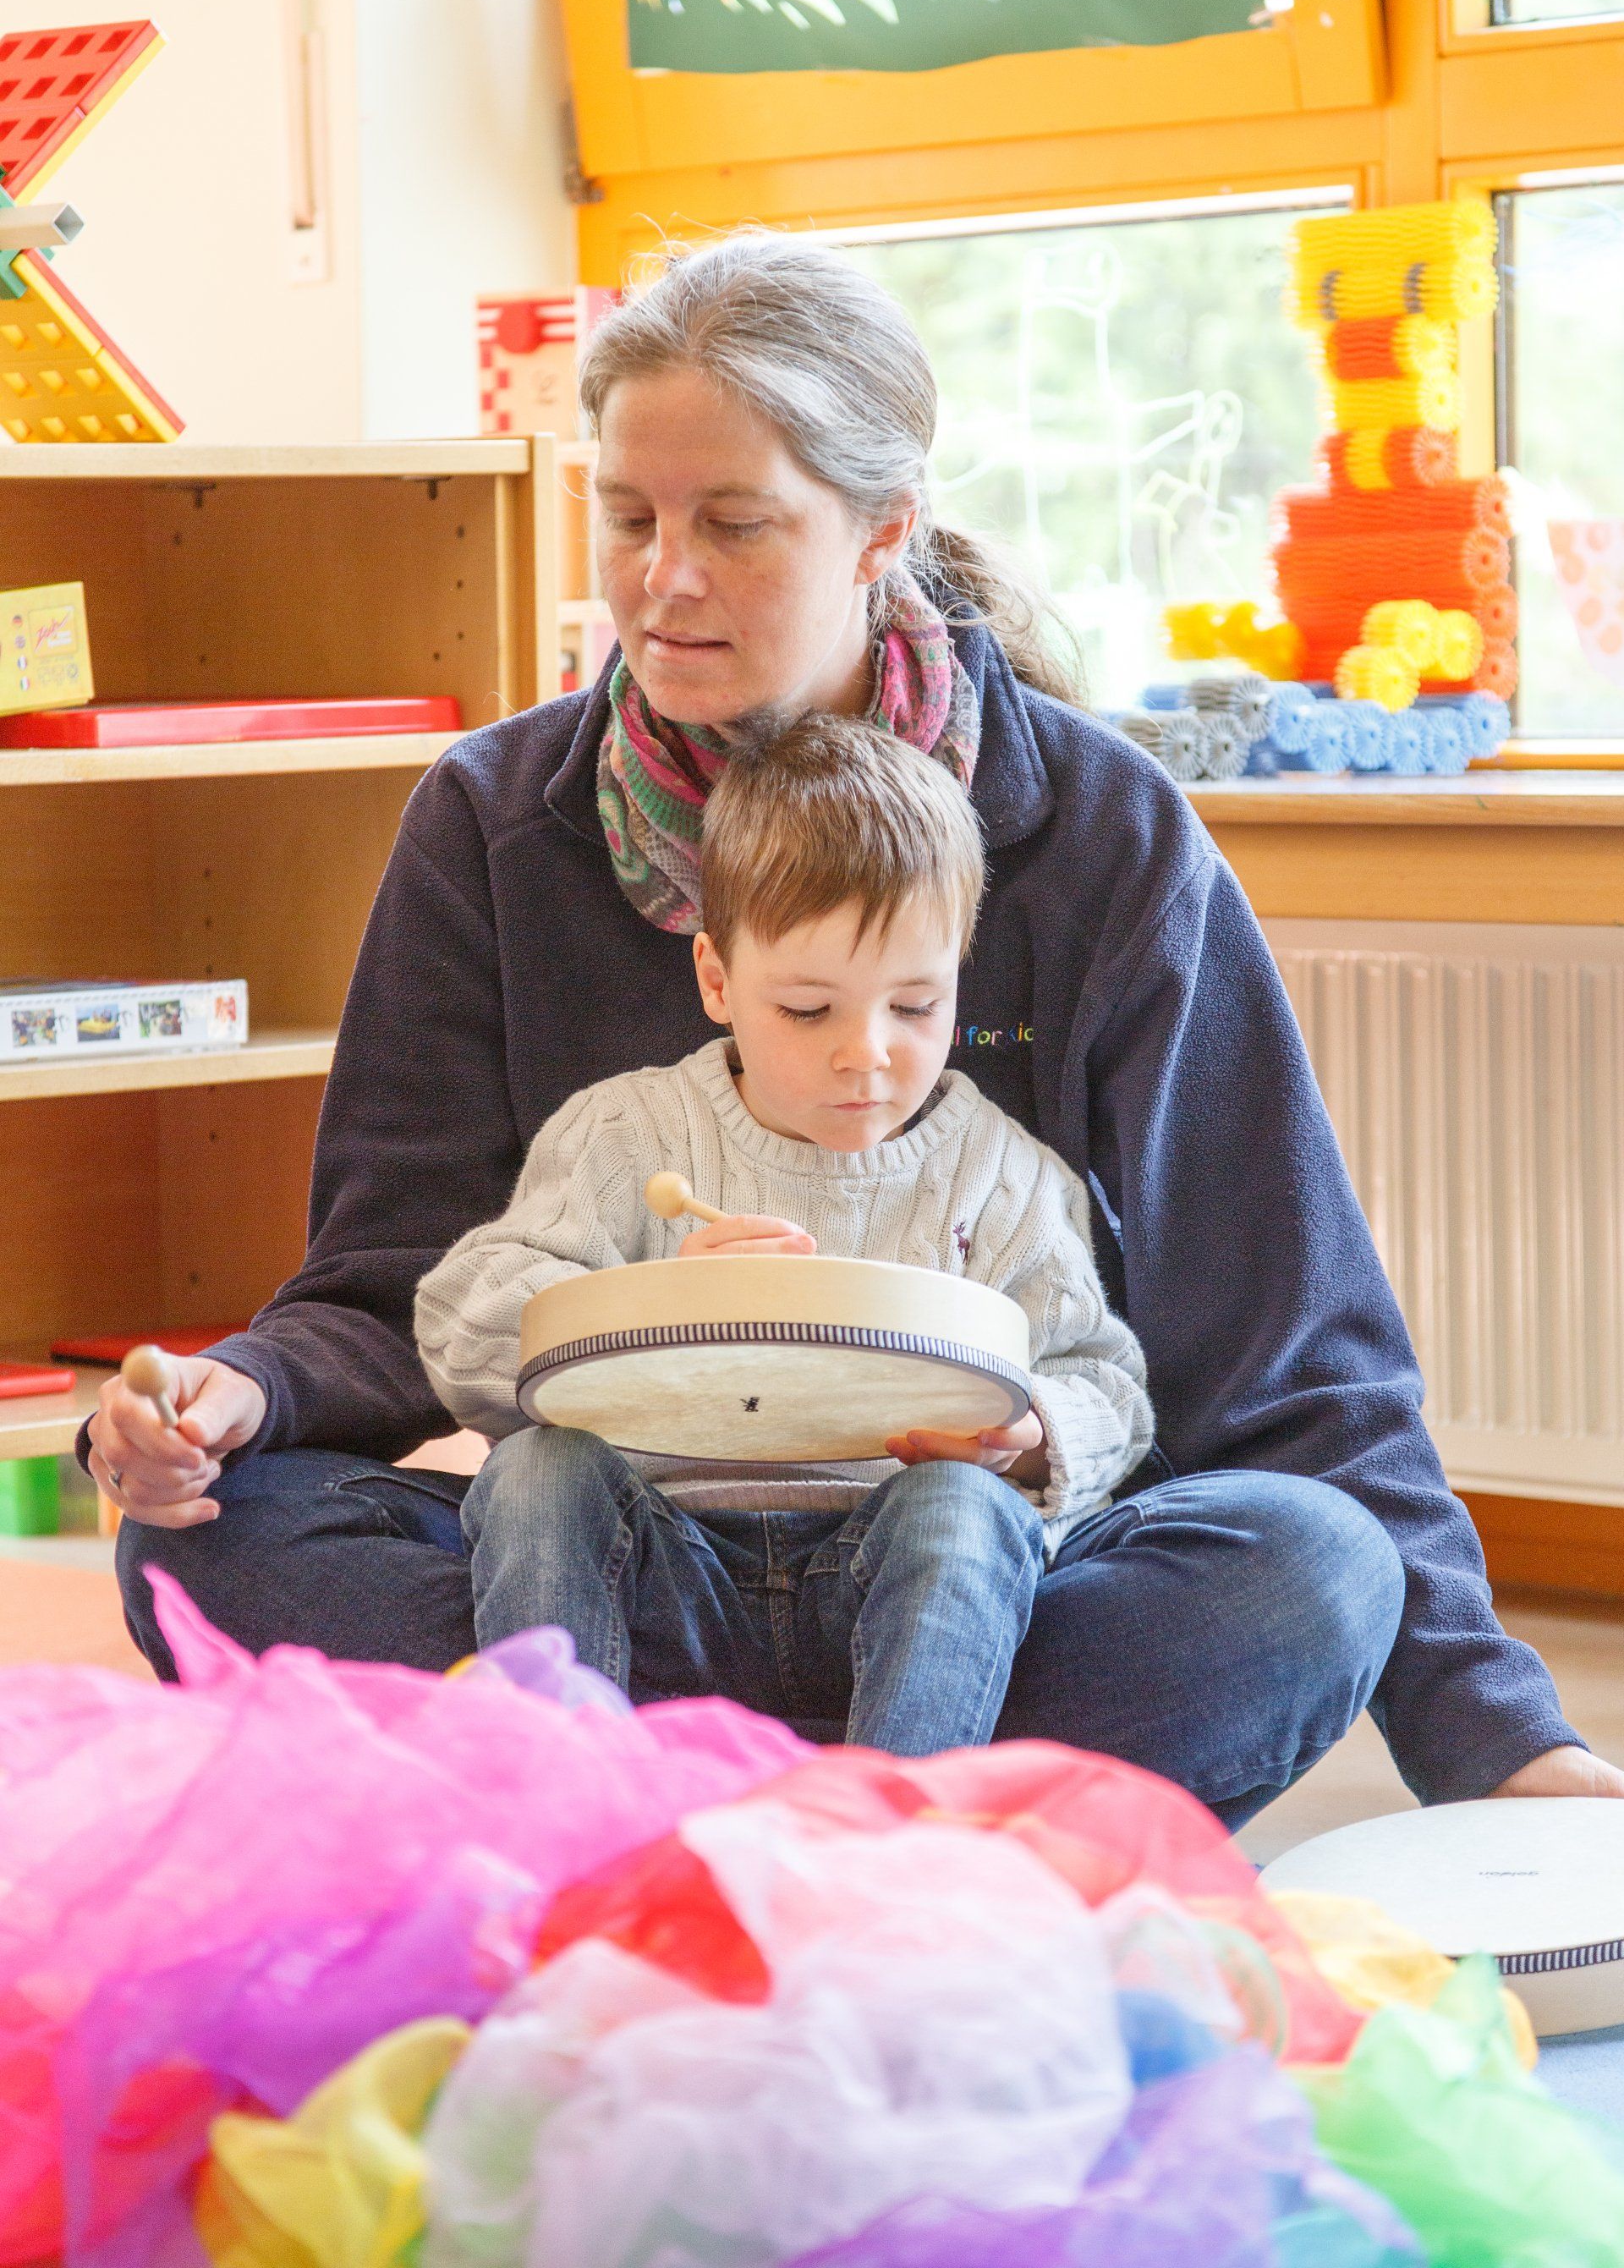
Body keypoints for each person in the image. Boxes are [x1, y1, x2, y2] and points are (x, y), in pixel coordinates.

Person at [88, 233, 1618, 1826]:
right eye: (629, 517)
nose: (664, 579)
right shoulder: (491, 821)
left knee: (1310, 1569)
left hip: (979, 1586)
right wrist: (234, 1395)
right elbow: (394, 1283)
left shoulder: (1106, 833)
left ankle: (705, 1801)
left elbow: (1291, 1351)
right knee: (218, 1535)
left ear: (884, 528)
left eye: (734, 523)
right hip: (619, 1563)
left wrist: (1495, 1736)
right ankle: (873, 1813)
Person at [414, 716, 1155, 1756]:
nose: (869, 1056)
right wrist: (648, 1306)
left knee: (971, 1508)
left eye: (916, 1005)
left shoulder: (1005, 1174)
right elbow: (459, 1323)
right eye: (809, 1010)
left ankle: (890, 1813)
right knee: (536, 1470)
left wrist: (1033, 1432)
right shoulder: (626, 1134)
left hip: (885, 1592)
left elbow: (1106, 1385)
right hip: (661, 1575)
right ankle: (563, 1784)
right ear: (718, 981)